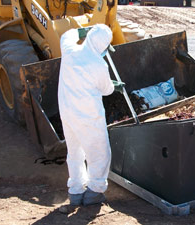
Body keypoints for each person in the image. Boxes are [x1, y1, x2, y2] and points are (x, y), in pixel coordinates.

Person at [58, 24, 124, 206]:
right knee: (99, 153)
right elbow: (106, 89)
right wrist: (115, 86)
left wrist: (85, 30)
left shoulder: (70, 49)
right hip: (89, 116)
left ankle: (76, 191)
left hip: (67, 112)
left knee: (75, 153)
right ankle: (94, 192)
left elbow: (67, 34)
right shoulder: (99, 64)